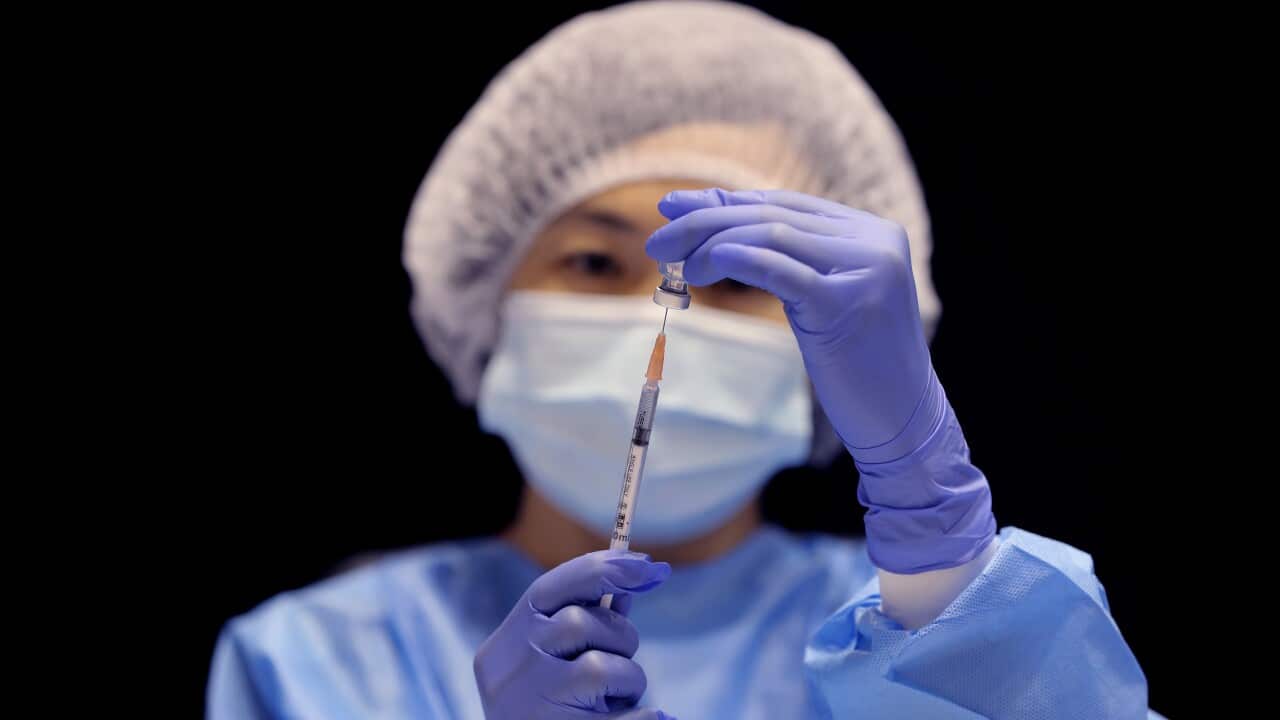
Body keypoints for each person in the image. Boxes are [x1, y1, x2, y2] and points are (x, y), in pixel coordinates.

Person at [207, 3, 1160, 718]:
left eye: (738, 278)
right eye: (591, 260)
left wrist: (935, 528)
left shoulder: (916, 627)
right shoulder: (312, 661)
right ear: (484, 302)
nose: (657, 309)